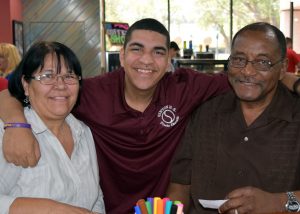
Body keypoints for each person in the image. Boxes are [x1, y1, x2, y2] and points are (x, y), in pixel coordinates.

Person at [0, 18, 298, 214]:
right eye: (137, 49)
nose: (146, 60)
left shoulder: (187, 87)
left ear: (170, 58)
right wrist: (15, 124)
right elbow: (21, 91)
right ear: (123, 53)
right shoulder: (88, 91)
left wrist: (292, 79)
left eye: (157, 52)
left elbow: (250, 77)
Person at [167, 22, 300, 214]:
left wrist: (278, 203)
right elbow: (180, 185)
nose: (247, 71)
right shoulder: (204, 112)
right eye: (239, 59)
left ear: (282, 69)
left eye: (263, 62)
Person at [0, 41, 105, 213]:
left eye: (69, 76)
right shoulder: (8, 133)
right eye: (47, 76)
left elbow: (96, 198)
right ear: (26, 85)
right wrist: (50, 209)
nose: (61, 85)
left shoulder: (83, 132)